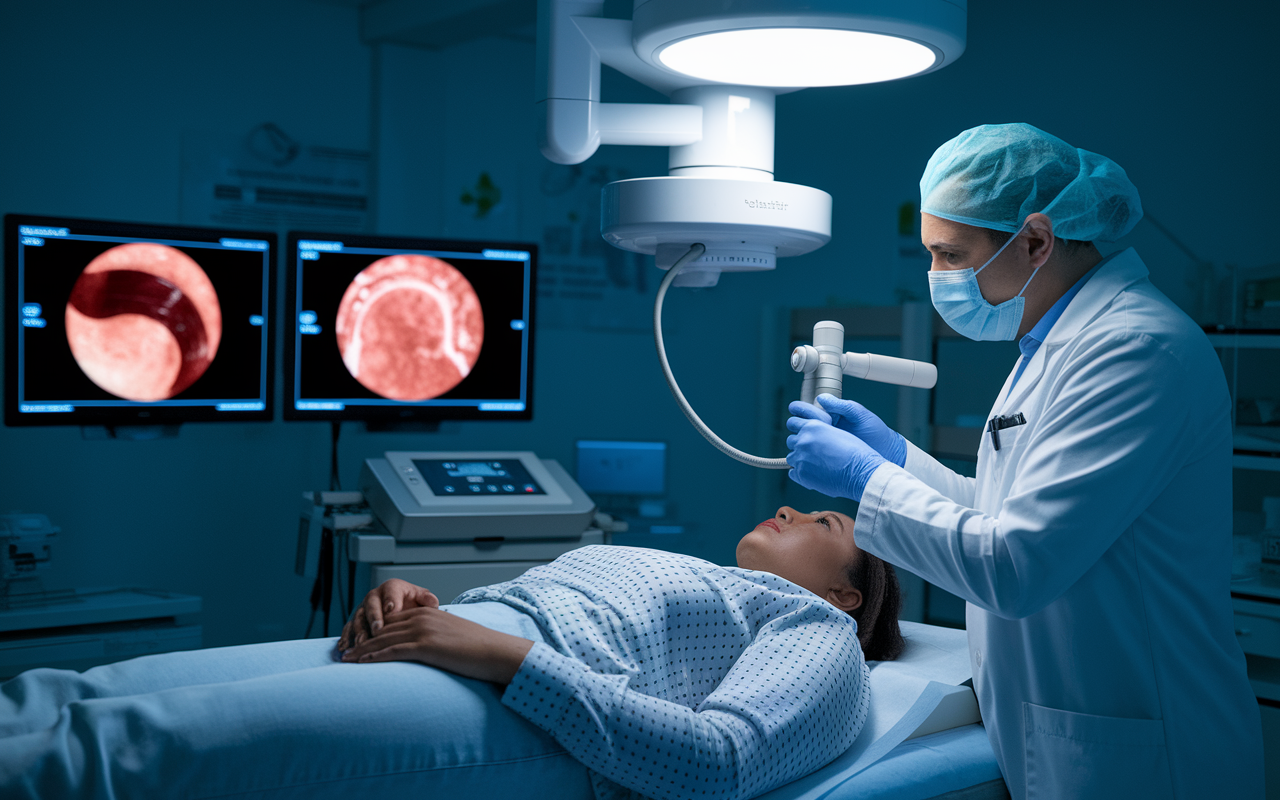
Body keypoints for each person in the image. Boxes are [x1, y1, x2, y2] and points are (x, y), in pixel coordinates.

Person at [785, 122, 1264, 799]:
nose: (937, 278)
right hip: (1070, 738)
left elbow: (1016, 565)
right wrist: (894, 456)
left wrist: (868, 477)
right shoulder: (1053, 345)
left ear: (1037, 240)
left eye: (950, 255)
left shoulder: (1137, 351)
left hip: (1151, 757)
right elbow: (1002, 513)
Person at [0, 507, 901, 800]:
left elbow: (717, 763)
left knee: (128, 744)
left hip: (520, 708)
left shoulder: (815, 634)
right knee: (77, 690)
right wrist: (428, 606)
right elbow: (524, 608)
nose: (795, 509)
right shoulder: (693, 570)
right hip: (457, 645)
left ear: (847, 593)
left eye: (826, 521)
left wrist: (499, 654)